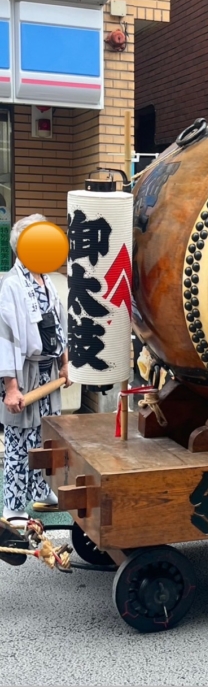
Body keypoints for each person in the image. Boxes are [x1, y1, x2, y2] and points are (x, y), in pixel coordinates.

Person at [0, 214, 71, 524]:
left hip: (48, 372)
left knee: (47, 437)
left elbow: (59, 325)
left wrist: (65, 363)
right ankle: (13, 507)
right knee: (20, 440)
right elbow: (5, 337)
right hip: (24, 372)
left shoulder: (48, 281)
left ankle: (43, 492)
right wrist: (11, 387)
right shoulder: (12, 284)